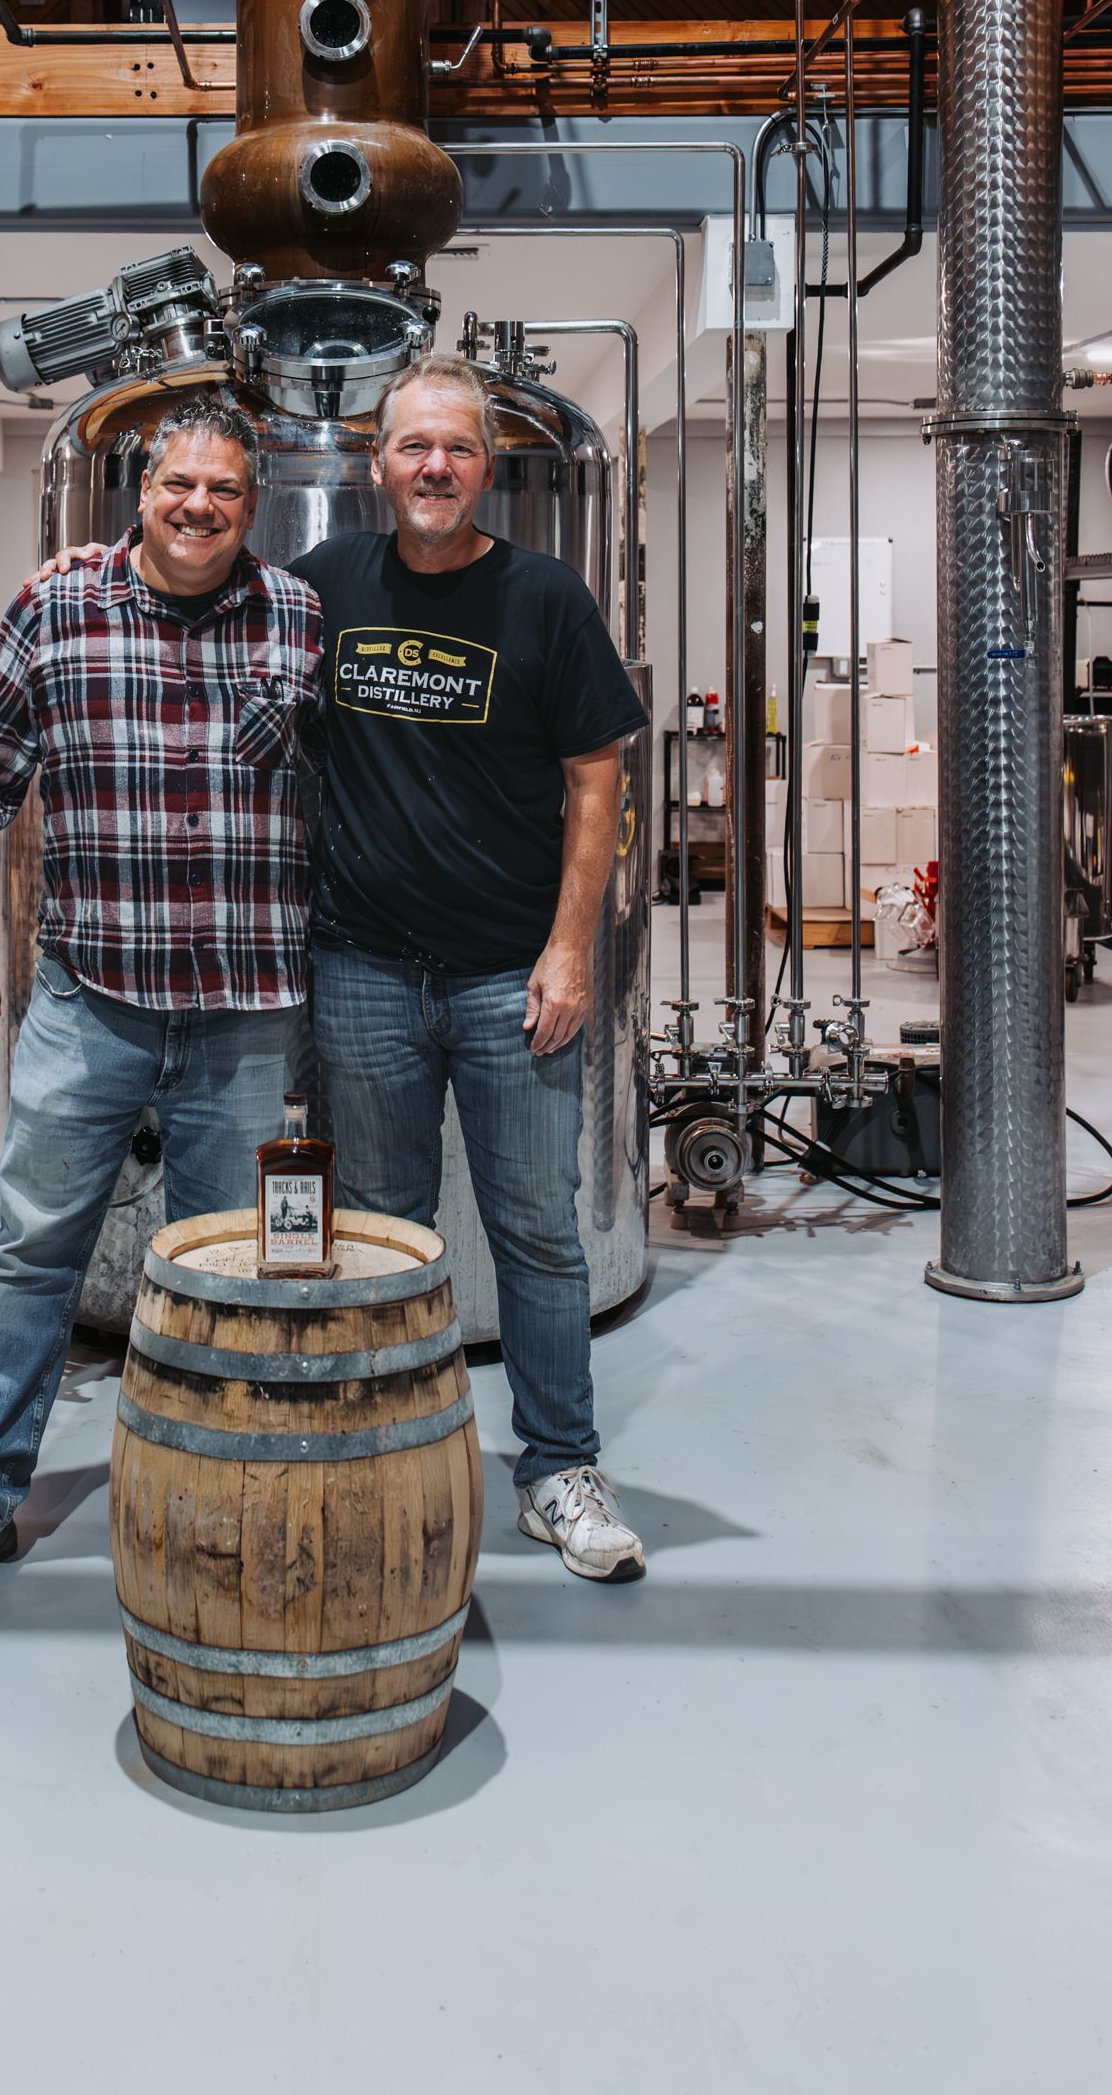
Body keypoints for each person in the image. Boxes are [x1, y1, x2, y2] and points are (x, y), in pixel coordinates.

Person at [0, 394, 322, 1610]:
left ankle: (220, 1490)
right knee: (32, 1253)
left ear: (254, 505)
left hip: (245, 1009)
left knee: (231, 1267)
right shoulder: (56, 604)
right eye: (180, 483)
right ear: (141, 490)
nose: (198, 506)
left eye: (224, 491)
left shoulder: (297, 616)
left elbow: (346, 799)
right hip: (94, 998)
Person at [290, 357, 651, 1582]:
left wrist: (569, 948)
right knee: (384, 1233)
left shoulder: (546, 598)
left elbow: (596, 778)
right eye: (411, 448)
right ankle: (397, 1448)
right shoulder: (326, 582)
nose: (432, 467)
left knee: (537, 1235)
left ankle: (558, 1470)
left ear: (486, 469)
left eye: (455, 449)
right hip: (362, 974)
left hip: (511, 976)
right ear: (374, 463)